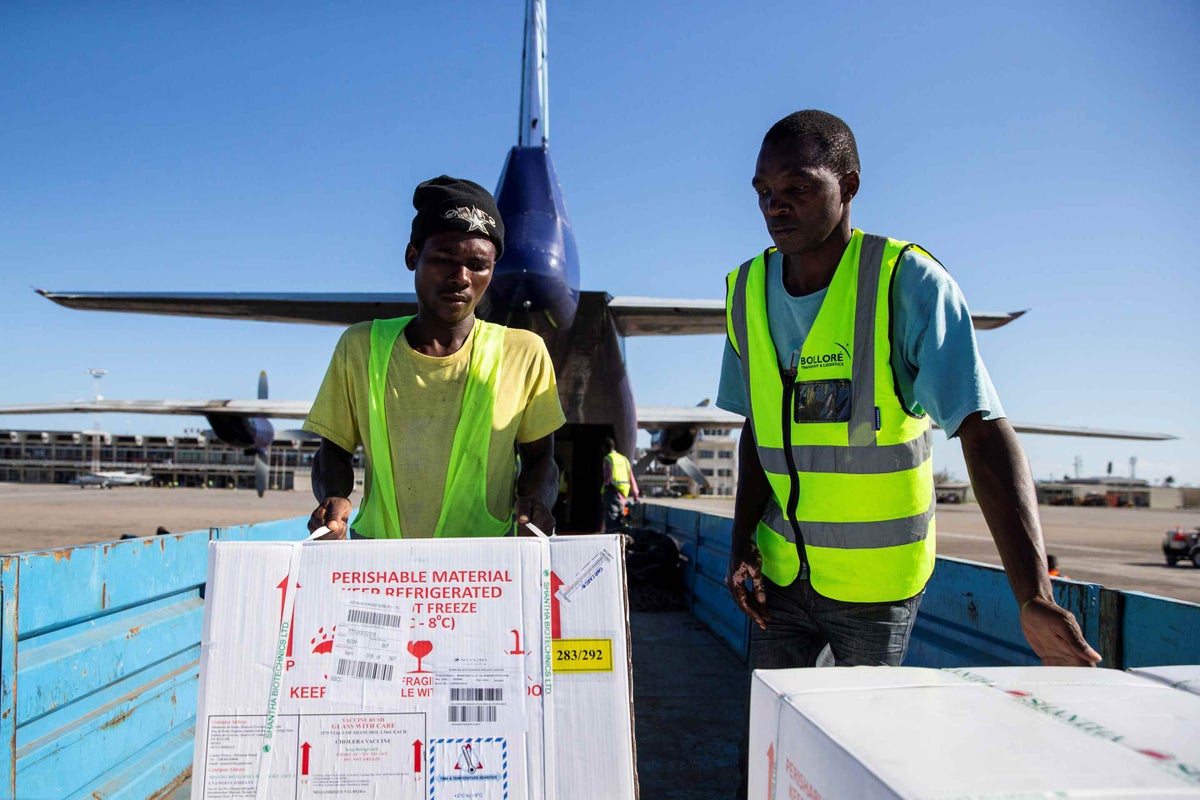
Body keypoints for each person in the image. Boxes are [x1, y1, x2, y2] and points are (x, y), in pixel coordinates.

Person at [719, 110, 1100, 796]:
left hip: (875, 588)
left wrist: (1032, 595)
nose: (775, 205)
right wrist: (742, 542)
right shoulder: (745, 290)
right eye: (763, 190)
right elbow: (757, 428)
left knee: (861, 756)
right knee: (766, 753)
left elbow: (982, 431)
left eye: (797, 186)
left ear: (850, 185)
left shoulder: (907, 282)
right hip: (778, 576)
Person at [303, 176, 564, 540]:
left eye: (478, 265)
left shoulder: (524, 352)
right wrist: (332, 498)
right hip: (381, 568)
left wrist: (536, 502)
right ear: (413, 256)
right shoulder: (360, 347)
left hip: (484, 570)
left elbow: (541, 460)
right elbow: (333, 451)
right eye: (444, 259)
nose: (461, 277)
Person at [600, 437, 639, 531]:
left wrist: (603, 492)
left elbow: (607, 478)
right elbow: (631, 478)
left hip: (611, 493)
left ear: (605, 448)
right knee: (620, 520)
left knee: (611, 523)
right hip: (623, 496)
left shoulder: (608, 458)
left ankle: (611, 542)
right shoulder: (624, 459)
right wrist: (635, 494)